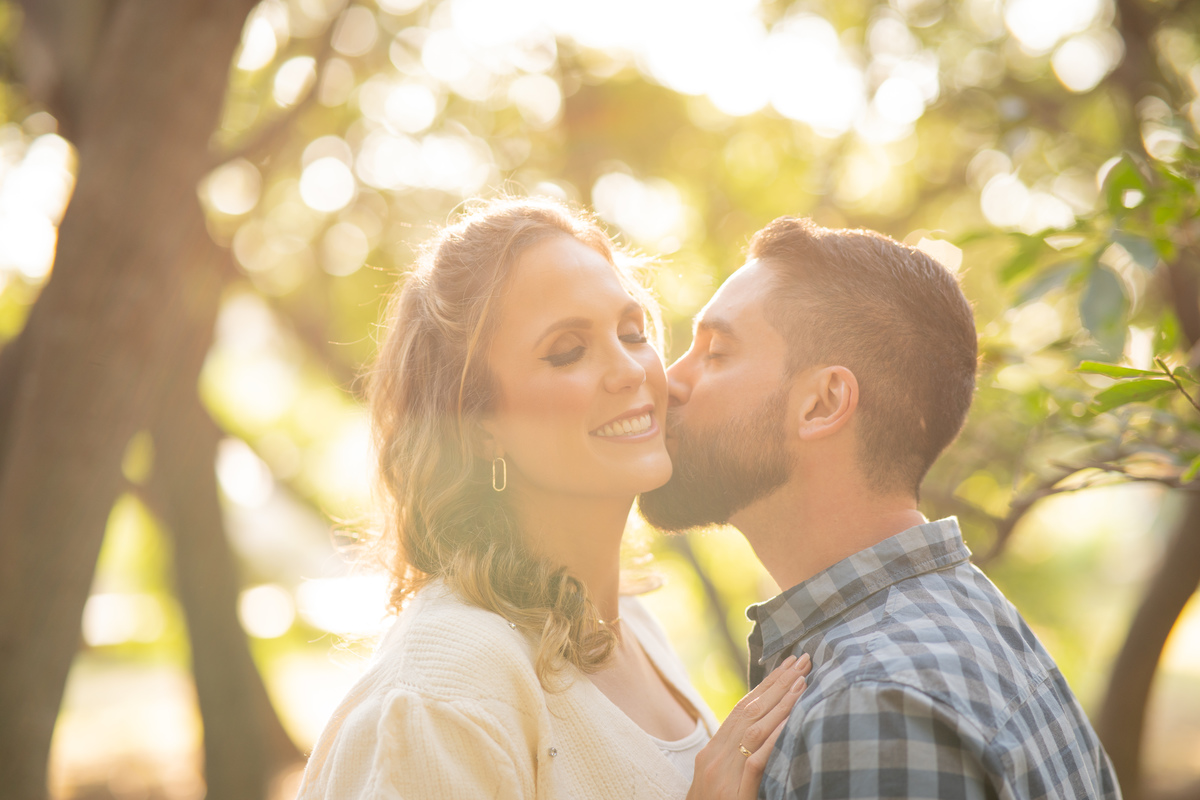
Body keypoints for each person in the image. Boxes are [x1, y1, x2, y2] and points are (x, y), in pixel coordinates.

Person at [297, 197, 811, 800]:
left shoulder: (635, 626)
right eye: (568, 351)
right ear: (476, 423)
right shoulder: (447, 690)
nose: (630, 371)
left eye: (632, 332)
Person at [640, 217, 1122, 799]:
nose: (669, 382)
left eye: (715, 353)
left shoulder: (867, 707)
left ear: (822, 403)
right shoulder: (974, 624)